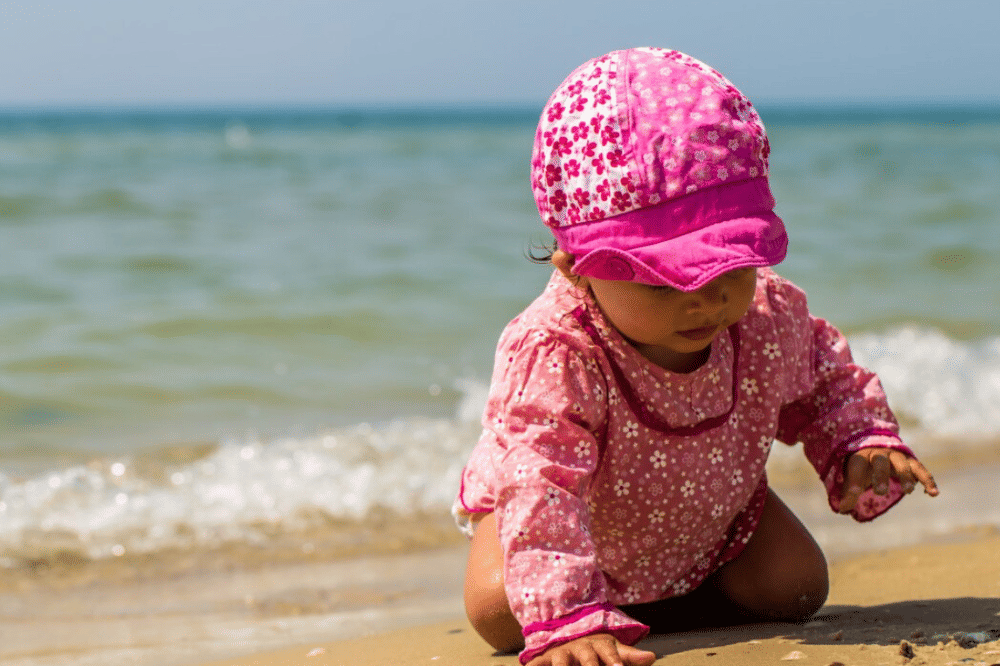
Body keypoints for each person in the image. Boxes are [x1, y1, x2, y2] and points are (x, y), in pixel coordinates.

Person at [452, 48, 939, 666]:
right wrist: (566, 616)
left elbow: (821, 376)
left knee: (797, 586)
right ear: (576, 268)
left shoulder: (762, 317)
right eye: (663, 277)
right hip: (574, 529)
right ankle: (593, 605)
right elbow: (539, 481)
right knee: (500, 612)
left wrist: (857, 440)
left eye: (727, 265)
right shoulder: (558, 350)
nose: (703, 296)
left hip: (712, 522)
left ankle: (666, 600)